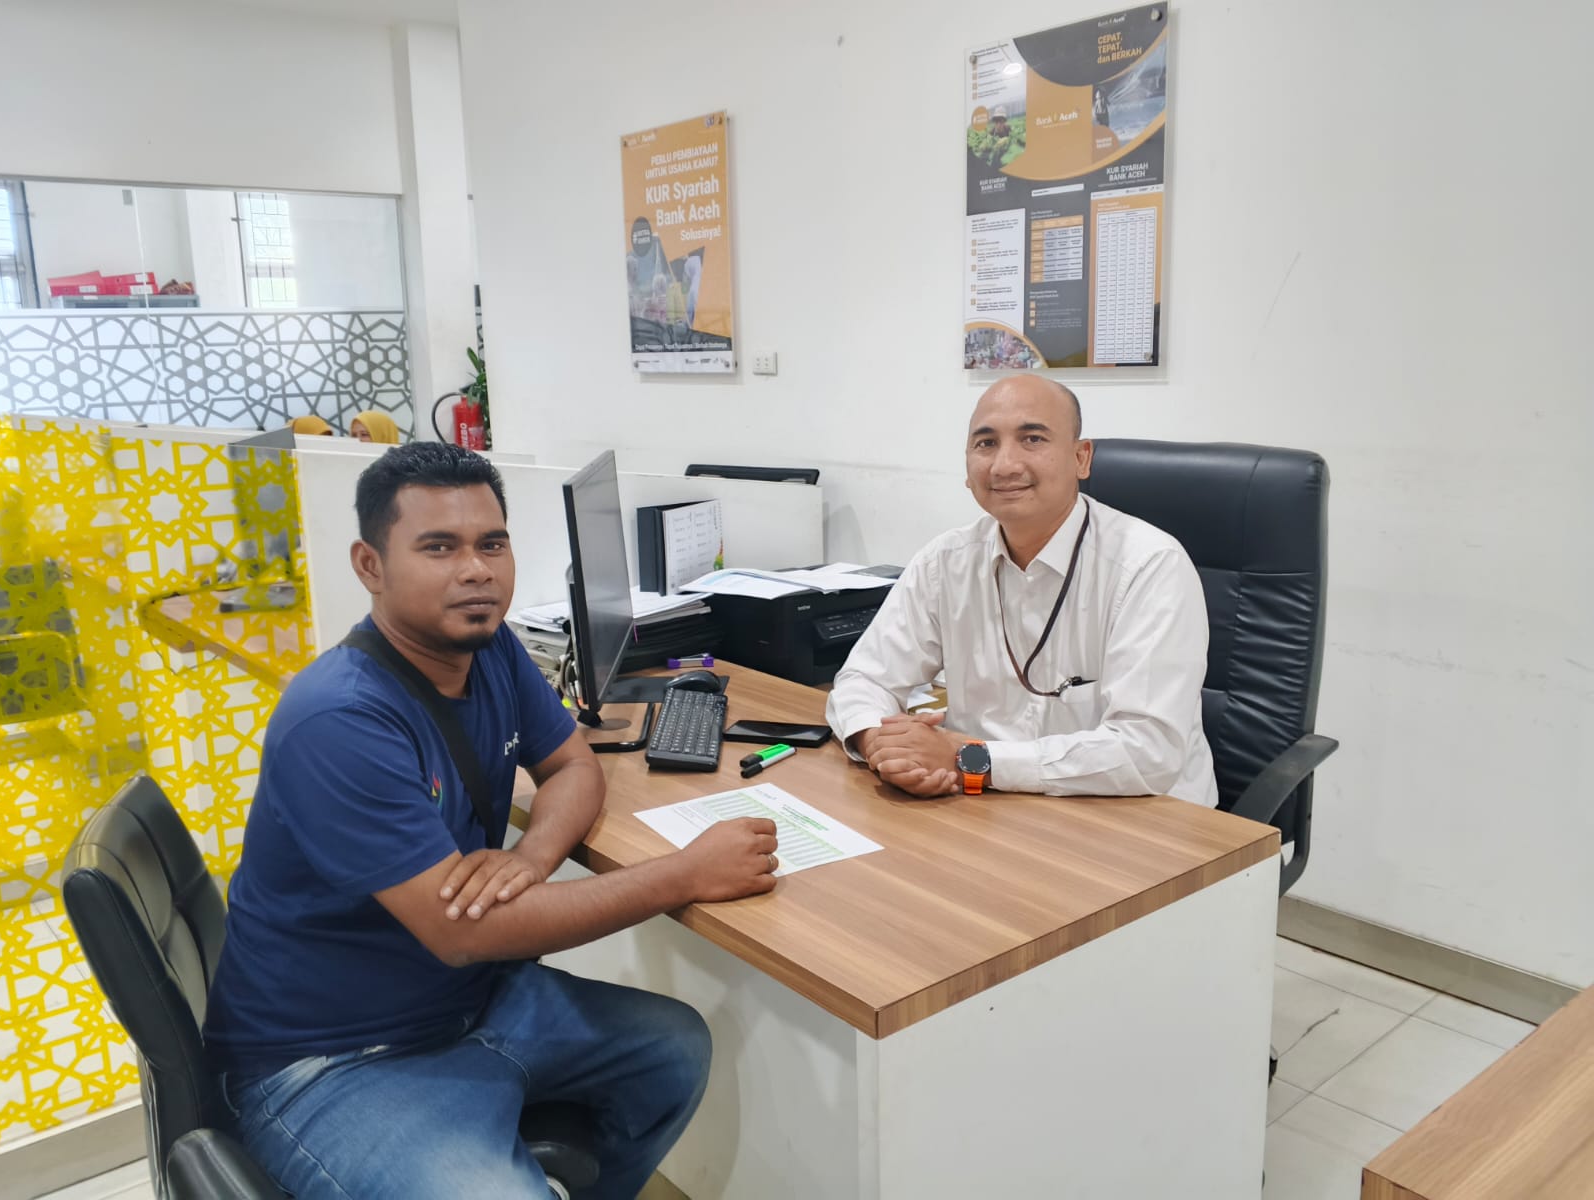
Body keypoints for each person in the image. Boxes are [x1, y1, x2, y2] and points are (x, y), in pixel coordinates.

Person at [204, 442, 780, 1198]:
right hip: (335, 1058)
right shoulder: (339, 719)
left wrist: (530, 857)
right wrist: (686, 874)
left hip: (467, 1001)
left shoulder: (490, 648)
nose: (476, 570)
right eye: (439, 547)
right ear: (370, 565)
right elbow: (463, 933)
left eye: (492, 544)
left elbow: (572, 764)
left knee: (673, 1051)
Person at [826, 376, 1216, 806]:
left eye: (1032, 438)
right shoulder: (945, 561)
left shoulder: (1149, 565)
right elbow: (864, 679)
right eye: (986, 443)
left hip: (1140, 816)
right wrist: (879, 742)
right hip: (987, 805)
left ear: (1081, 458)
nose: (1004, 465)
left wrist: (968, 758)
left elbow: (1149, 752)